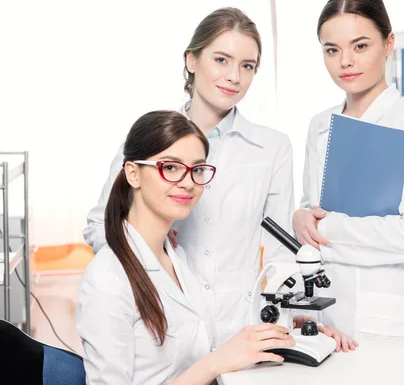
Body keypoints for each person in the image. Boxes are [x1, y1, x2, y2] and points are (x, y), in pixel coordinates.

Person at [83, 7, 296, 348]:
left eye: (247, 66)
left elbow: (279, 255)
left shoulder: (272, 148)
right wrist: (154, 250)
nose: (234, 77)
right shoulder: (151, 139)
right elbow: (99, 226)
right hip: (159, 326)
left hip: (238, 329)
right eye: (221, 60)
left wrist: (288, 321)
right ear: (192, 60)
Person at [76, 111, 296, 385]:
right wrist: (216, 363)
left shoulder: (174, 256)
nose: (188, 182)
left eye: (198, 169)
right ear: (133, 173)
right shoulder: (107, 280)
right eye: (170, 167)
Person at [293, 0, 404, 346]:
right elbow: (312, 205)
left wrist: (330, 229)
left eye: (360, 46)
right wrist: (300, 216)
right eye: (332, 50)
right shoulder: (320, 124)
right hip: (325, 309)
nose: (345, 61)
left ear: (388, 44)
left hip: (384, 314)